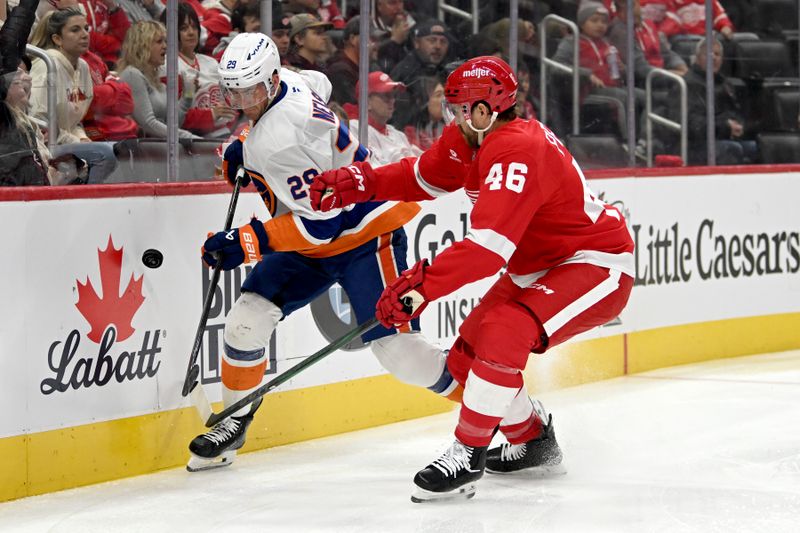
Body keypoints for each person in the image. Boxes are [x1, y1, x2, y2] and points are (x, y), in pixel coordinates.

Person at [309, 56, 635, 502]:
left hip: (596, 262)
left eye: (459, 107)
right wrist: (360, 183)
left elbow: (486, 252)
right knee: (466, 360)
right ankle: (533, 439)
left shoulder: (516, 148)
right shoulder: (473, 138)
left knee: (504, 331)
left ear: (483, 111)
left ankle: (467, 452)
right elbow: (423, 176)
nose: (452, 116)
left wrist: (421, 287)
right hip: (537, 265)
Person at [186, 33, 463, 472]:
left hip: (365, 233)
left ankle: (503, 411)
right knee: (245, 322)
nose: (242, 99)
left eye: (251, 90)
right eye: (234, 90)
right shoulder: (292, 83)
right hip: (314, 230)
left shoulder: (280, 141)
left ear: (272, 79)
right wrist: (245, 142)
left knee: (402, 357)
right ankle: (233, 422)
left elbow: (322, 227)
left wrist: (245, 242)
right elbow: (320, 85)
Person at [28, 8, 118, 182]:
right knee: (105, 154)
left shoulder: (83, 67)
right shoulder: (46, 64)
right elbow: (37, 120)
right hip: (44, 146)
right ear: (57, 39)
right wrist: (74, 140)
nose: (84, 34)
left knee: (118, 149)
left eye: (86, 28)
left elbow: (75, 120)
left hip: (67, 141)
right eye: (75, 30)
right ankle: (88, 202)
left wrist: (82, 138)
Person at [682, 36, 758, 165]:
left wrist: (738, 125)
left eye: (717, 54)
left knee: (756, 146)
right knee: (732, 149)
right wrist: (725, 127)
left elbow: (734, 113)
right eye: (708, 53)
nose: (713, 58)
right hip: (695, 145)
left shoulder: (724, 83)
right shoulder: (688, 83)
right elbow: (693, 124)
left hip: (721, 137)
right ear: (697, 58)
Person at [118, 20, 195, 139]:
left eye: (165, 41)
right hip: (140, 150)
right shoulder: (132, 75)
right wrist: (189, 138)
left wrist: (187, 96)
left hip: (159, 147)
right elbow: (148, 124)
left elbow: (172, 125)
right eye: (159, 42)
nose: (165, 46)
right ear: (142, 45)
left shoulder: (158, 82)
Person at [348, 71, 422, 166]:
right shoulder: (356, 130)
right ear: (366, 101)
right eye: (386, 96)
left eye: (393, 95)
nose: (392, 100)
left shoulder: (399, 135)